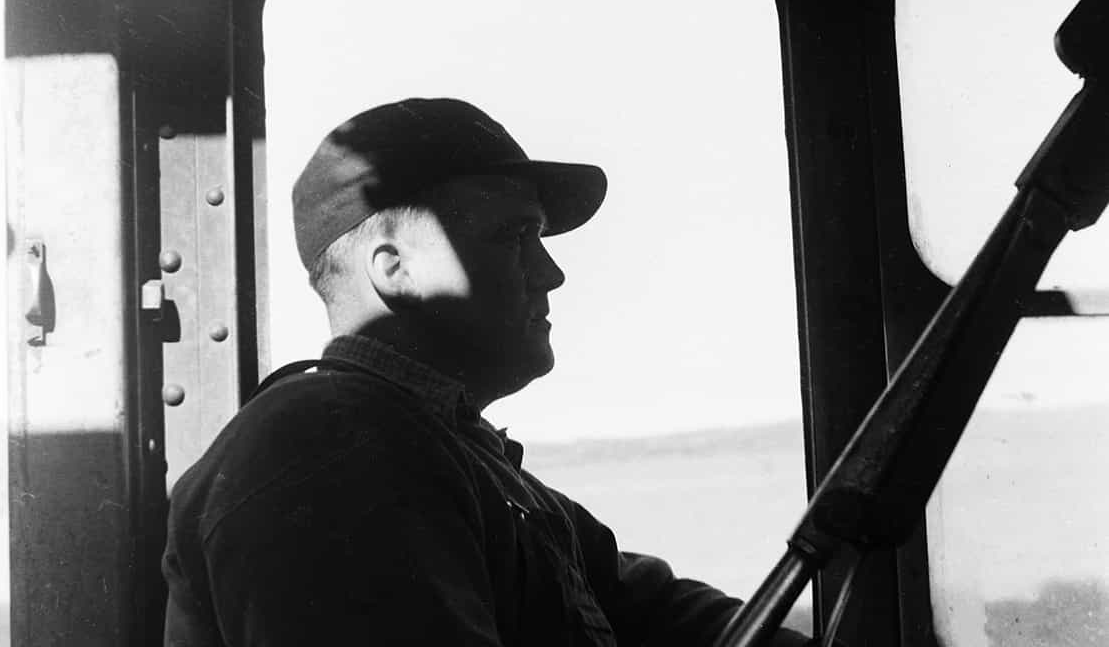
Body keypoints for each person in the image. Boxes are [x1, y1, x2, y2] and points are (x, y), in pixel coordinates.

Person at [162, 98, 814, 646]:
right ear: (395, 270)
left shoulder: (457, 458)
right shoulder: (328, 446)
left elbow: (656, 613)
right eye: (514, 236)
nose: (551, 272)